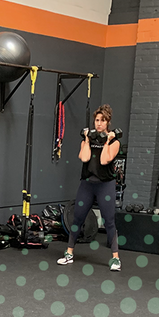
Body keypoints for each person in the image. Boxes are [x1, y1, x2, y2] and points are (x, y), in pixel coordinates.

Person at [57, 104, 122, 271]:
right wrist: (86, 139)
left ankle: (115, 259)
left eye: (103, 120)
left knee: (109, 221)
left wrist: (107, 140)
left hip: (105, 186)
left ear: (108, 122)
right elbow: (84, 157)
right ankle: (69, 254)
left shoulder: (115, 142)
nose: (99, 123)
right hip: (87, 184)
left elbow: (104, 160)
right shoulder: (87, 140)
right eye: (97, 120)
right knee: (77, 219)